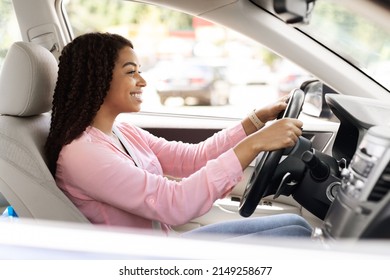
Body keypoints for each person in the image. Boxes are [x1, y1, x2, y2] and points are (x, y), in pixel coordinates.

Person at [45, 32, 312, 240]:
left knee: (298, 225)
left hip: (165, 244)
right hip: (144, 263)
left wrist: (256, 121)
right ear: (99, 79)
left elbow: (193, 158)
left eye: (139, 70)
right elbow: (174, 204)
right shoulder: (83, 154)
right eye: (130, 72)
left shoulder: (122, 132)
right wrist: (255, 144)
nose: (142, 81)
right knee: (296, 236)